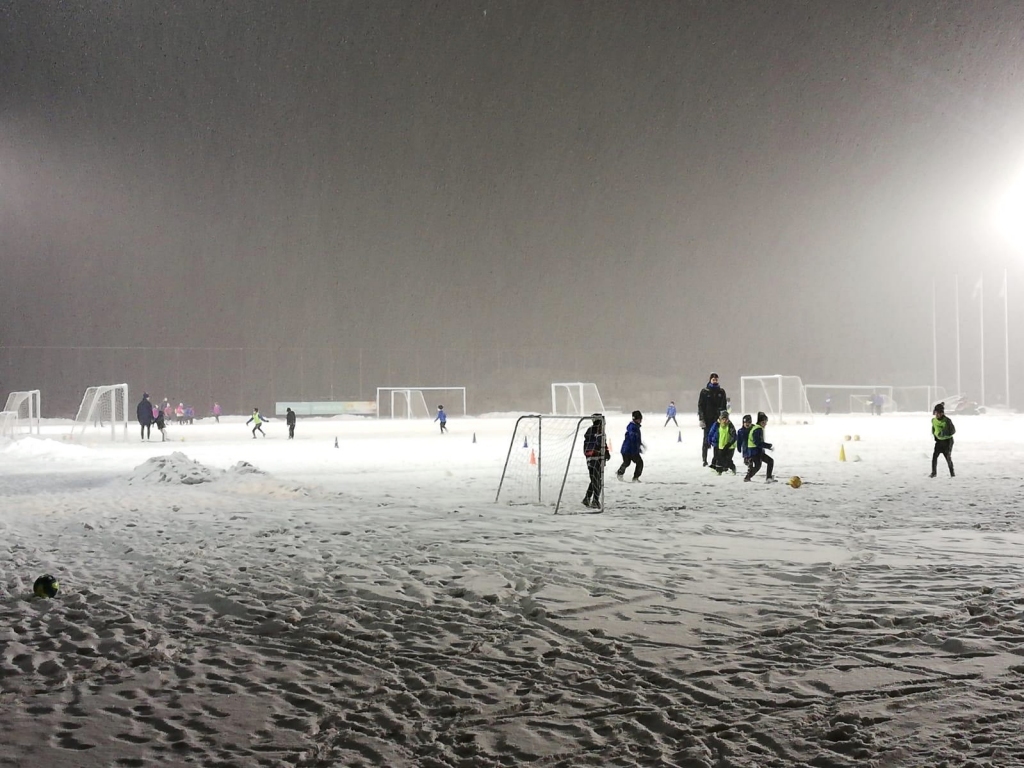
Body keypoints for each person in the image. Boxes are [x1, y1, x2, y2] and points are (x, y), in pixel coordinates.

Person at [698, 372, 728, 467]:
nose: (715, 381)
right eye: (713, 379)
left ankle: (715, 459)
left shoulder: (721, 392)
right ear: (710, 380)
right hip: (707, 420)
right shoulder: (704, 392)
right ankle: (704, 460)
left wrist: (724, 418)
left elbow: (724, 406)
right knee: (706, 439)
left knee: (717, 440)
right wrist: (701, 419)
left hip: (717, 420)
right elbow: (700, 406)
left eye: (716, 379)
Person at [582, 414, 611, 510]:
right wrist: (600, 451)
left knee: (595, 479)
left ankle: (587, 498)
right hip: (594, 459)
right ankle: (595, 500)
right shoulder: (595, 432)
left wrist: (605, 452)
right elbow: (597, 444)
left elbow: (602, 444)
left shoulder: (596, 432)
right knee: (596, 480)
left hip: (594, 459)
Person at [744, 411, 777, 483]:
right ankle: (768, 477)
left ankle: (747, 477)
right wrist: (768, 446)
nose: (766, 424)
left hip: (755, 451)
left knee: (758, 466)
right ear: (762, 422)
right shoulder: (758, 429)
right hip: (755, 451)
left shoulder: (756, 428)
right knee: (770, 461)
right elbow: (757, 442)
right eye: (765, 422)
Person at [615, 410, 645, 482]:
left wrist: (640, 445)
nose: (641, 421)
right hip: (629, 450)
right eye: (640, 419)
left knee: (627, 462)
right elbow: (633, 439)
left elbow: (636, 439)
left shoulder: (634, 427)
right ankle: (635, 478)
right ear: (637, 419)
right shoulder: (632, 427)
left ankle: (620, 473)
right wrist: (636, 449)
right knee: (639, 463)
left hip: (627, 450)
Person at [707, 410, 738, 475]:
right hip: (721, 446)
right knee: (719, 459)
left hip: (730, 447)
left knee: (727, 460)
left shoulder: (730, 426)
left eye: (726, 419)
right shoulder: (717, 425)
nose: (724, 421)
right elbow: (711, 433)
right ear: (720, 419)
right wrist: (709, 441)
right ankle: (719, 471)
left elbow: (734, 436)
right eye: (723, 419)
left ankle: (732, 467)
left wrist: (729, 444)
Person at [930, 402, 955, 477]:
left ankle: (952, 473)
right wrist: (935, 435)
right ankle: (934, 473)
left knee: (948, 457)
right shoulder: (933, 420)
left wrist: (944, 433)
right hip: (939, 441)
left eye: (938, 413)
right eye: (936, 413)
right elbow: (933, 428)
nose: (937, 415)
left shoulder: (947, 421)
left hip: (947, 442)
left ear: (942, 413)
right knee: (934, 457)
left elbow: (953, 431)